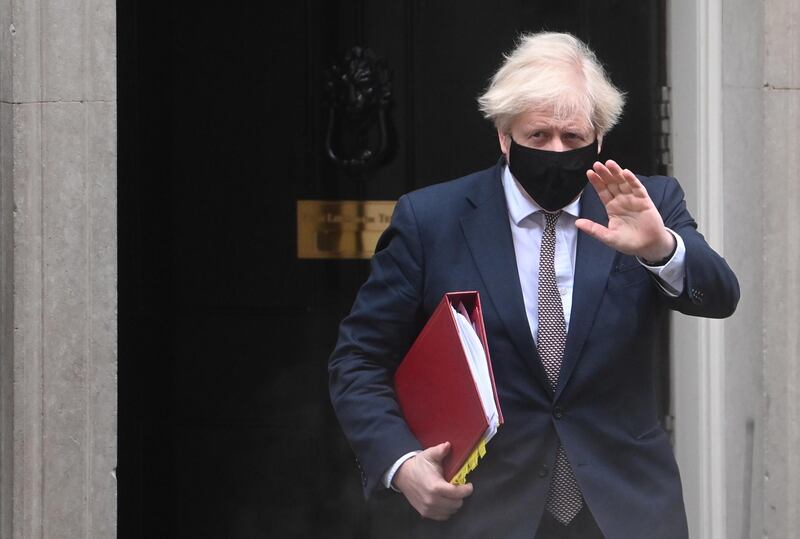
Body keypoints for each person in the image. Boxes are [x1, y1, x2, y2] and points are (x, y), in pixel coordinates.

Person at [328, 32, 739, 539]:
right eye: (538, 136)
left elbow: (721, 296)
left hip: (625, 511)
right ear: (504, 137)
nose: (556, 151)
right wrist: (402, 462)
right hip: (484, 514)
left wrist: (661, 249)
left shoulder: (646, 204)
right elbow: (359, 361)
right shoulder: (431, 220)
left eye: (573, 138)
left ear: (599, 139)